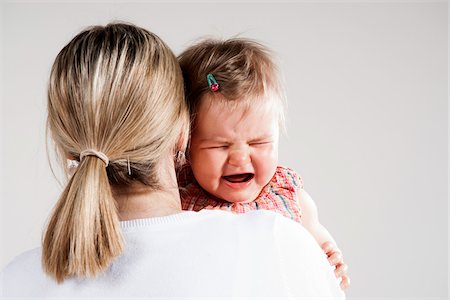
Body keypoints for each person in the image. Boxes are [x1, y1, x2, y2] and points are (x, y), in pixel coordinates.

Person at [1, 23, 344, 298]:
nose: (241, 155)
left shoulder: (14, 281)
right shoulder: (277, 243)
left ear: (66, 147)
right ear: (184, 133)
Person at [178, 38, 350, 290]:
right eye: (220, 146)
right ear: (186, 146)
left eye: (258, 143)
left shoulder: (288, 195)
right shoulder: (177, 196)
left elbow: (315, 239)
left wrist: (329, 257)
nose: (239, 158)